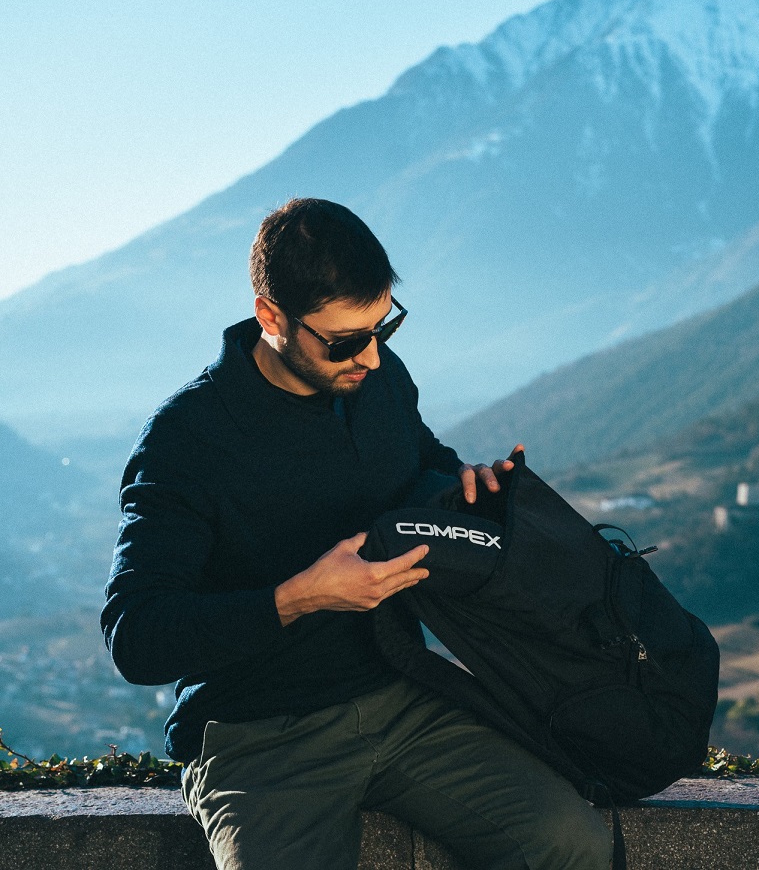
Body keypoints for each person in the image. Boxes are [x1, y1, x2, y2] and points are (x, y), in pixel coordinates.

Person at [102, 198, 612, 870]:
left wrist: (464, 486)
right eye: (344, 340)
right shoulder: (188, 441)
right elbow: (137, 637)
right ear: (270, 317)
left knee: (571, 841)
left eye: (384, 328)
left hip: (401, 696)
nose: (370, 357)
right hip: (259, 736)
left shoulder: (376, 379)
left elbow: (421, 459)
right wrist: (299, 598)